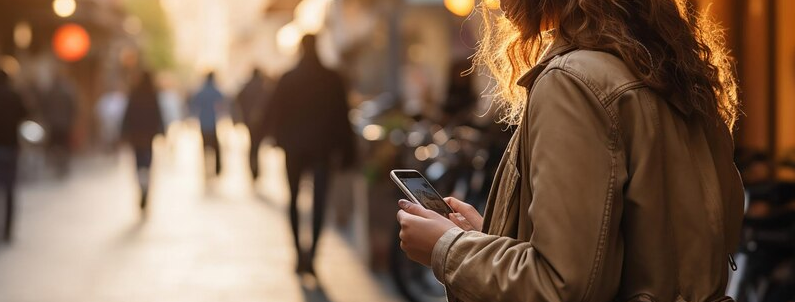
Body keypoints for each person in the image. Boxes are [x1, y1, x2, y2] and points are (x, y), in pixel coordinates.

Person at [395, 1, 745, 301]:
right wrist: (485, 238)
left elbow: (562, 285)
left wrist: (447, 249)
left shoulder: (574, 82)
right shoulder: (670, 74)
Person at [264, 35, 356, 276]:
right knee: (319, 202)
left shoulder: (288, 78)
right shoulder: (331, 78)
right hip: (322, 149)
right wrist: (348, 151)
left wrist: (274, 138)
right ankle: (312, 254)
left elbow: (274, 112)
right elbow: (342, 116)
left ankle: (298, 254)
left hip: (293, 148)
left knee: (293, 199)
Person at [122, 72, 164, 210]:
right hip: (148, 136)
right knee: (147, 162)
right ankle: (145, 183)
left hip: (136, 136)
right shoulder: (153, 96)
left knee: (138, 162)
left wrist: (124, 132)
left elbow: (127, 115)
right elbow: (158, 115)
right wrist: (161, 131)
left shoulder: (134, 95)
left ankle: (142, 183)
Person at [0, 70, 28, 242]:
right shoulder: (14, 95)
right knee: (9, 189)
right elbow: (26, 113)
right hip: (11, 146)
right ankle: (8, 230)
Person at [234, 68, 272, 179]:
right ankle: (256, 168)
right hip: (261, 122)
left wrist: (241, 116)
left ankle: (253, 168)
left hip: (249, 121)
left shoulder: (247, 86)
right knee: (257, 145)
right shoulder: (264, 87)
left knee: (253, 145)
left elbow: (238, 100)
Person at [190, 72, 225, 176]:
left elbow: (194, 104)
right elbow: (222, 101)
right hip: (212, 122)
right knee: (216, 147)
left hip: (204, 123)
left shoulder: (201, 91)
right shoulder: (215, 90)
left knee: (205, 146)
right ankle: (217, 169)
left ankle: (205, 167)